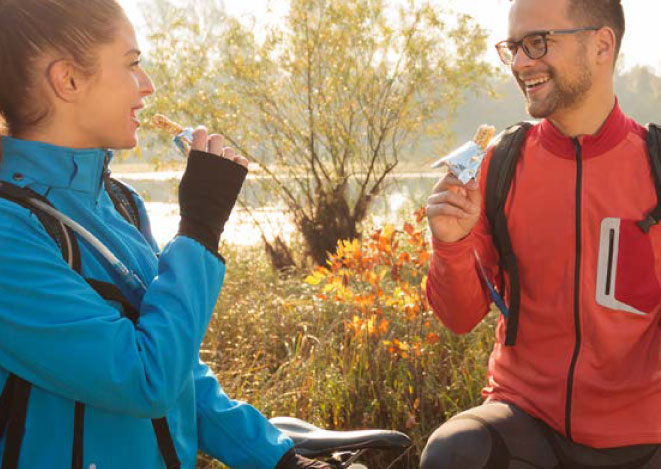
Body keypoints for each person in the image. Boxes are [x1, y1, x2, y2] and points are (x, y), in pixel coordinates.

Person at [0, 0, 330, 467]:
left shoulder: (120, 203)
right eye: (132, 64)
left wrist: (279, 460)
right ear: (69, 80)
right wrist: (200, 228)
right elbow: (144, 379)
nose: (147, 85)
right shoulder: (9, 233)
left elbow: (177, 367)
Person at [421, 0, 661, 467]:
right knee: (454, 452)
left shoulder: (655, 166)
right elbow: (459, 318)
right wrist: (450, 244)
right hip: (528, 422)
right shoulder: (499, 165)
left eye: (537, 42)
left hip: (646, 434)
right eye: (513, 47)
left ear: (602, 45)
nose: (519, 62)